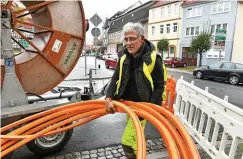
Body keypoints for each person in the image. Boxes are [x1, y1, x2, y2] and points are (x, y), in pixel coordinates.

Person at [105, 22, 165, 159]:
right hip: (128, 104)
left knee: (128, 142)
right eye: (126, 39)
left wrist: (149, 108)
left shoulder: (153, 59)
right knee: (135, 139)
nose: (128, 43)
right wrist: (108, 98)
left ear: (142, 39)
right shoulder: (124, 57)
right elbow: (115, 79)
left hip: (143, 106)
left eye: (132, 38)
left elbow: (160, 86)